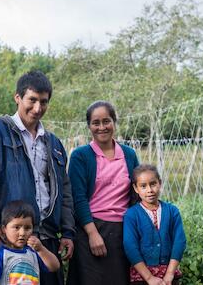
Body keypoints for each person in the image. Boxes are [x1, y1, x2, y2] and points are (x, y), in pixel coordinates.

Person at [0, 70, 75, 285]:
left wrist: (67, 231)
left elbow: (64, 191)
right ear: (17, 98)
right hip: (12, 238)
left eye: (44, 102)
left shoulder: (53, 143)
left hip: (45, 237)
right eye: (32, 100)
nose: (38, 108)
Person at [67, 100, 139, 285]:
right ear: (89, 126)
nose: (102, 127)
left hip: (123, 232)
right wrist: (92, 234)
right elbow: (79, 198)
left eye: (106, 121)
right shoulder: (81, 156)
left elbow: (136, 194)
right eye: (95, 123)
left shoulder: (129, 154)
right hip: (91, 230)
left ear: (114, 122)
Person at [123, 164, 186, 285]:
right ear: (136, 188)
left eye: (153, 184)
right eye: (143, 186)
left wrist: (170, 274)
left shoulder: (172, 211)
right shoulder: (131, 215)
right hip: (142, 277)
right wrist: (149, 278)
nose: (150, 190)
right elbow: (130, 247)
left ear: (160, 183)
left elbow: (179, 242)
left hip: (169, 277)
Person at [0, 200, 60, 285]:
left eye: (27, 228)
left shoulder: (33, 252)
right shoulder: (1, 254)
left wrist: (41, 249)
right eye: (16, 227)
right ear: (4, 229)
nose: (22, 233)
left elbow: (55, 267)